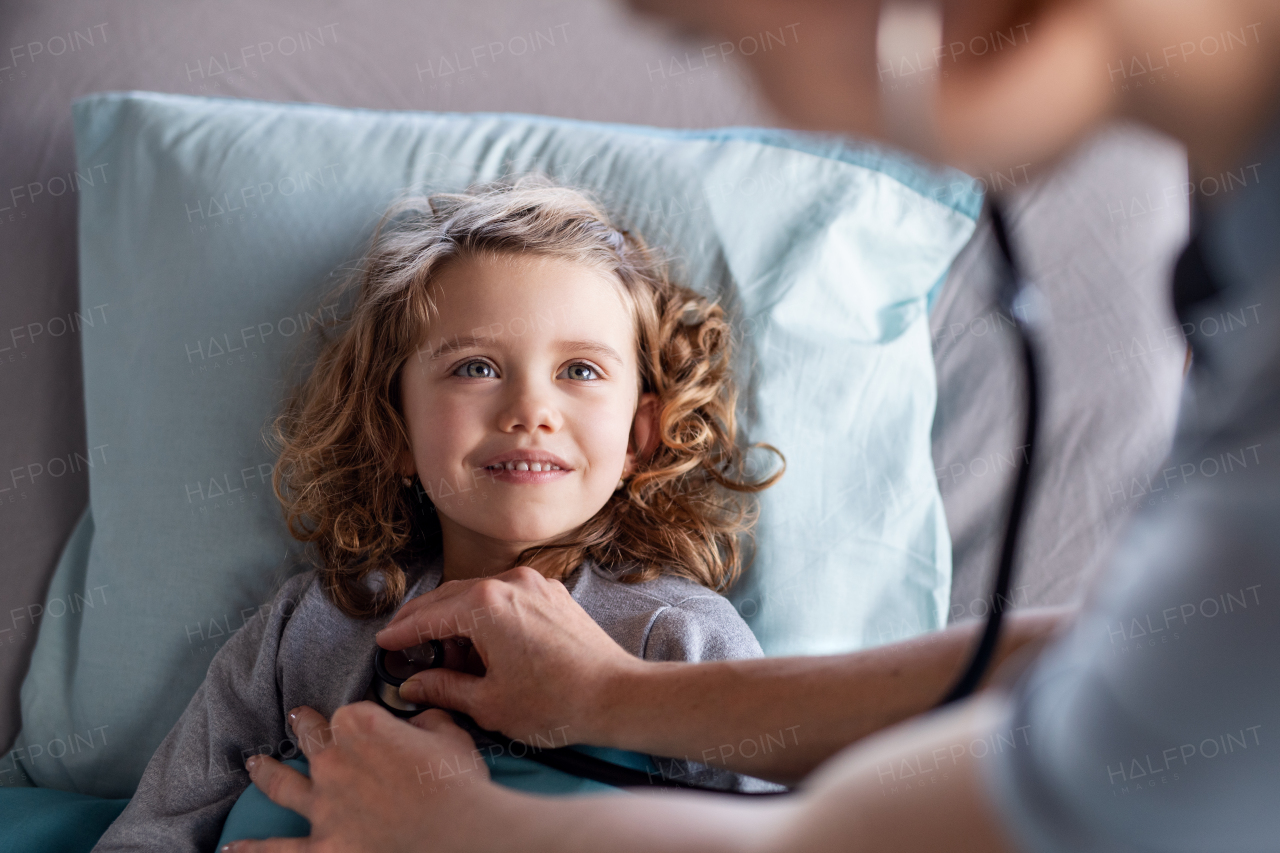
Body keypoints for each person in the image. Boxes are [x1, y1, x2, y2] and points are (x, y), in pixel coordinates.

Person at [226, 0, 1280, 851]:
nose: (787, 96)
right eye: (472, 367)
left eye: (702, 30)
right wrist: (609, 701)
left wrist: (463, 831)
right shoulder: (308, 624)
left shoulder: (676, 628)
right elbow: (1105, 668)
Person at [91, 178, 795, 852]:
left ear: (639, 439)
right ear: (397, 431)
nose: (530, 411)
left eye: (580, 370)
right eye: (475, 367)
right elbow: (157, 826)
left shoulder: (680, 642)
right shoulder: (307, 629)